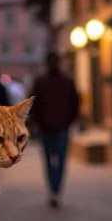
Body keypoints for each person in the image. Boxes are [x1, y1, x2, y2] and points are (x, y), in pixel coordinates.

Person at [32, 51, 79, 208]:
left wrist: (37, 122)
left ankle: (53, 189)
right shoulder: (67, 81)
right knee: (60, 160)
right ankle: (56, 189)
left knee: (48, 160)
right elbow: (75, 103)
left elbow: (33, 104)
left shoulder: (40, 82)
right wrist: (69, 120)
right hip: (61, 127)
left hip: (46, 127)